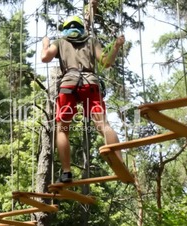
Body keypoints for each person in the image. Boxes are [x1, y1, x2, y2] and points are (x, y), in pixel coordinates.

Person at [41, 15, 125, 183]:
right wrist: (116, 47)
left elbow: (45, 57)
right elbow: (106, 62)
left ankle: (66, 172)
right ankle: (120, 162)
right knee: (103, 124)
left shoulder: (60, 42)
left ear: (65, 28)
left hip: (68, 85)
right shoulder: (91, 41)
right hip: (90, 84)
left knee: (62, 128)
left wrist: (45, 44)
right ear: (82, 27)